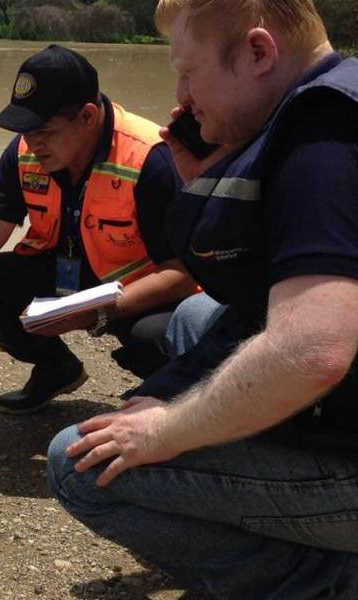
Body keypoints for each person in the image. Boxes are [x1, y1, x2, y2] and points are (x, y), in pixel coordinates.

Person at [48, 1, 358, 597]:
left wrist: (164, 430)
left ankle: (327, 580)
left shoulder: (324, 133)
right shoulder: (320, 103)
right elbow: (251, 297)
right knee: (193, 318)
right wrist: (207, 186)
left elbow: (313, 351)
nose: (181, 97)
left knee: (78, 463)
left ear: (258, 53)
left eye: (188, 72)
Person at [0, 45, 196, 415]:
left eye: (44, 131)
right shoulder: (25, 152)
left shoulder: (151, 158)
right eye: (26, 131)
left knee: (158, 338)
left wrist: (97, 312)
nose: (32, 144)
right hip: (65, 271)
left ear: (87, 116)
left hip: (139, 289)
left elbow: (183, 273)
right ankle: (56, 368)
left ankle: (178, 405)